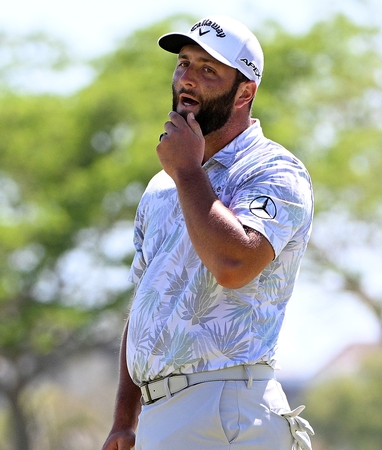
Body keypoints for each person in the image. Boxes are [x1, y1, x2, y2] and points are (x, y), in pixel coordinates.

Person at [101, 15, 314, 450]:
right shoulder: (163, 184)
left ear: (245, 92)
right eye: (184, 63)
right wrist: (125, 419)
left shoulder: (274, 170)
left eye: (208, 69)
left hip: (223, 408)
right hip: (167, 415)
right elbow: (146, 302)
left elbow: (234, 264)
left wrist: (186, 171)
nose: (188, 78)